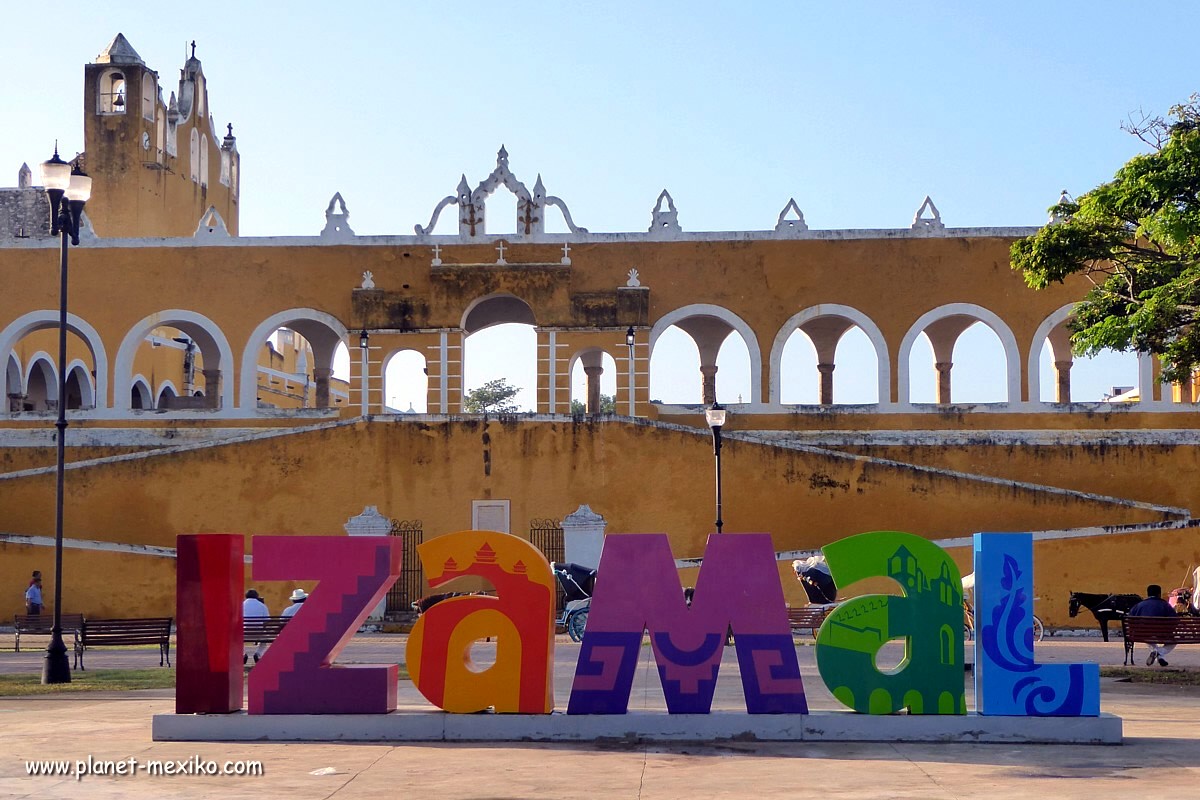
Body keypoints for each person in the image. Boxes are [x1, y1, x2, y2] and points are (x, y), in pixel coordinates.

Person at [1128, 584, 1177, 667]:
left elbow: (1130, 619)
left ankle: (1155, 652)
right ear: (1159, 594)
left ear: (1148, 594)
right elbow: (1174, 620)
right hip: (1162, 634)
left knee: (1147, 635)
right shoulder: (1165, 605)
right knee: (1174, 641)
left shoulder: (1139, 605)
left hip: (1143, 634)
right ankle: (1160, 653)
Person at [242, 589, 270, 665]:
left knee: (236, 641)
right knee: (264, 642)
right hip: (259, 634)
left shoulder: (241, 605)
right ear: (257, 596)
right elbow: (267, 620)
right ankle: (258, 654)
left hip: (244, 634)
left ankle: (243, 654)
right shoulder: (262, 606)